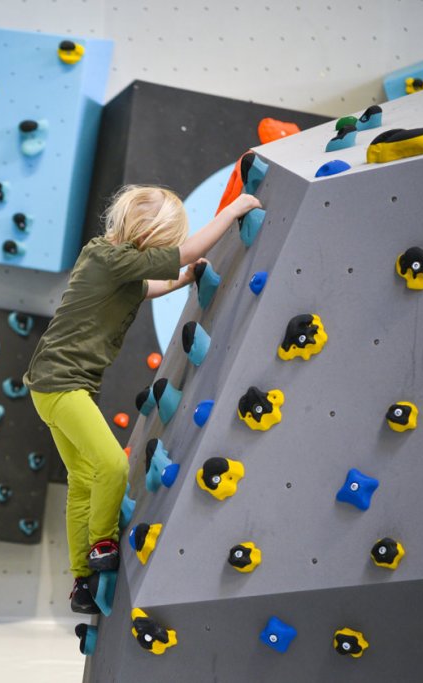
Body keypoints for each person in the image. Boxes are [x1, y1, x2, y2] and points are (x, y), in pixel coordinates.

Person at [23, 185, 261, 614]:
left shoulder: (108, 260)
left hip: (55, 385)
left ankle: (82, 581)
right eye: (167, 238)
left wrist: (181, 281)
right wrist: (236, 210)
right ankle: (101, 544)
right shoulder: (110, 258)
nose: (171, 246)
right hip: (61, 383)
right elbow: (188, 251)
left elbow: (143, 289)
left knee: (83, 480)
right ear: (150, 232)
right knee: (112, 466)